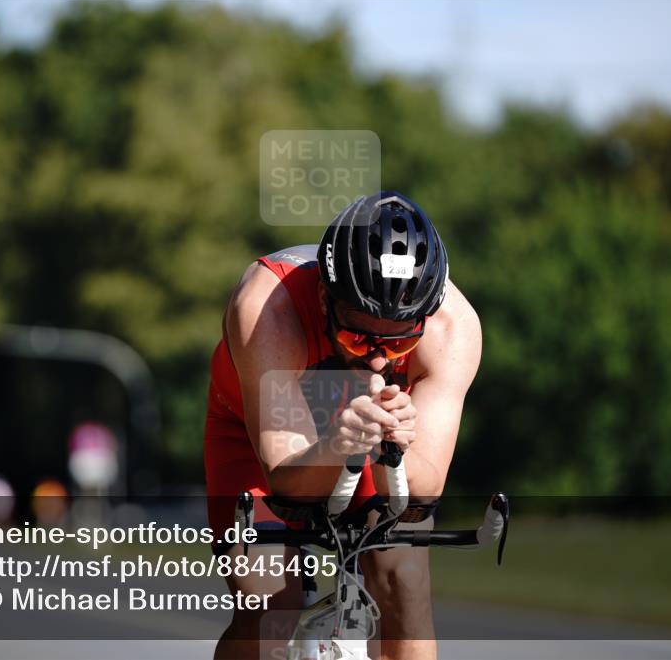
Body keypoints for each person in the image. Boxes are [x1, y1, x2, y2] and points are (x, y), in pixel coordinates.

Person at [204, 191, 482, 660]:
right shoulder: (267, 308)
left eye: (397, 344)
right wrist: (337, 444)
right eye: (358, 335)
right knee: (271, 601)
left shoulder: (453, 329)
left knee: (403, 589)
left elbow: (422, 485)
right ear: (323, 298)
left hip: (372, 437)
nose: (378, 359)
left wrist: (397, 446)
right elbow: (286, 479)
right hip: (258, 437)